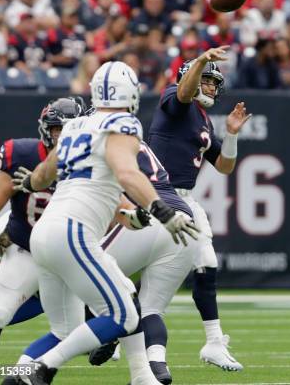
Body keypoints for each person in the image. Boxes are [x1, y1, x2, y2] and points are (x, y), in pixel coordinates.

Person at [12, 61, 198, 385]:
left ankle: (15, 377)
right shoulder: (123, 123)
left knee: (64, 330)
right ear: (131, 92)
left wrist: (28, 185)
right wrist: (162, 210)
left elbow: (42, 174)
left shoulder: (73, 127)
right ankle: (43, 367)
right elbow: (128, 173)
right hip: (72, 232)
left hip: (44, 232)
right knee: (124, 315)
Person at [146, 45, 251, 373]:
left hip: (186, 200)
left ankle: (214, 342)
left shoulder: (203, 120)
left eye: (213, 83)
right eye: (205, 80)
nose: (209, 87)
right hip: (155, 195)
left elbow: (224, 166)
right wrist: (203, 60)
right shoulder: (175, 101)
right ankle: (105, 328)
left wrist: (231, 135)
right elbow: (184, 92)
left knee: (207, 264)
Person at [0, 98, 86, 384]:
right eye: (58, 129)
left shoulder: (90, 160)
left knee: (74, 331)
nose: (63, 136)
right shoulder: (22, 154)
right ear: (46, 129)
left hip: (58, 254)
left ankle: (17, 376)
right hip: (19, 238)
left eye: (69, 130)